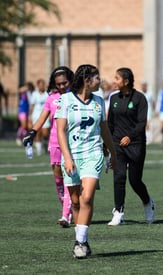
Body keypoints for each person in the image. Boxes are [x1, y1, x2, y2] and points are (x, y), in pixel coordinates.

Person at [55, 64, 117, 259]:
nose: (101, 81)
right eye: (97, 78)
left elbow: (104, 130)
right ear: (87, 80)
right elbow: (60, 131)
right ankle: (82, 237)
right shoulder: (65, 100)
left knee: (87, 197)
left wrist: (113, 153)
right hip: (72, 156)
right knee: (75, 202)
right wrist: (67, 157)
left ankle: (80, 242)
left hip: (93, 154)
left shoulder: (99, 101)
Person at [23, 67, 75, 228]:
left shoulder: (76, 97)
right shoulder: (51, 98)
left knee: (69, 177)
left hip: (72, 143)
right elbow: (42, 117)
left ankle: (66, 214)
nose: (62, 86)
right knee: (58, 177)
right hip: (54, 141)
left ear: (71, 81)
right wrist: (32, 132)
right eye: (58, 84)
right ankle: (67, 207)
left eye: (65, 83)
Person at [106, 68, 155, 226]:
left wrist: (130, 136)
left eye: (117, 78)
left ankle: (148, 203)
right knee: (118, 177)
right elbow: (110, 123)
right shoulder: (113, 98)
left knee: (135, 181)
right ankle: (118, 212)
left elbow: (142, 123)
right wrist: (106, 144)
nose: (114, 81)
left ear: (126, 82)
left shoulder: (140, 98)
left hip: (135, 144)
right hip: (117, 144)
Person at [29, 79, 50, 155]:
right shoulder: (34, 94)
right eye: (40, 85)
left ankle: (45, 144)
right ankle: (38, 150)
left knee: (45, 133)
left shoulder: (47, 94)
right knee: (37, 133)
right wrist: (30, 118)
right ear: (38, 85)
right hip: (36, 116)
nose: (42, 86)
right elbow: (32, 106)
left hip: (45, 116)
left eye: (43, 84)